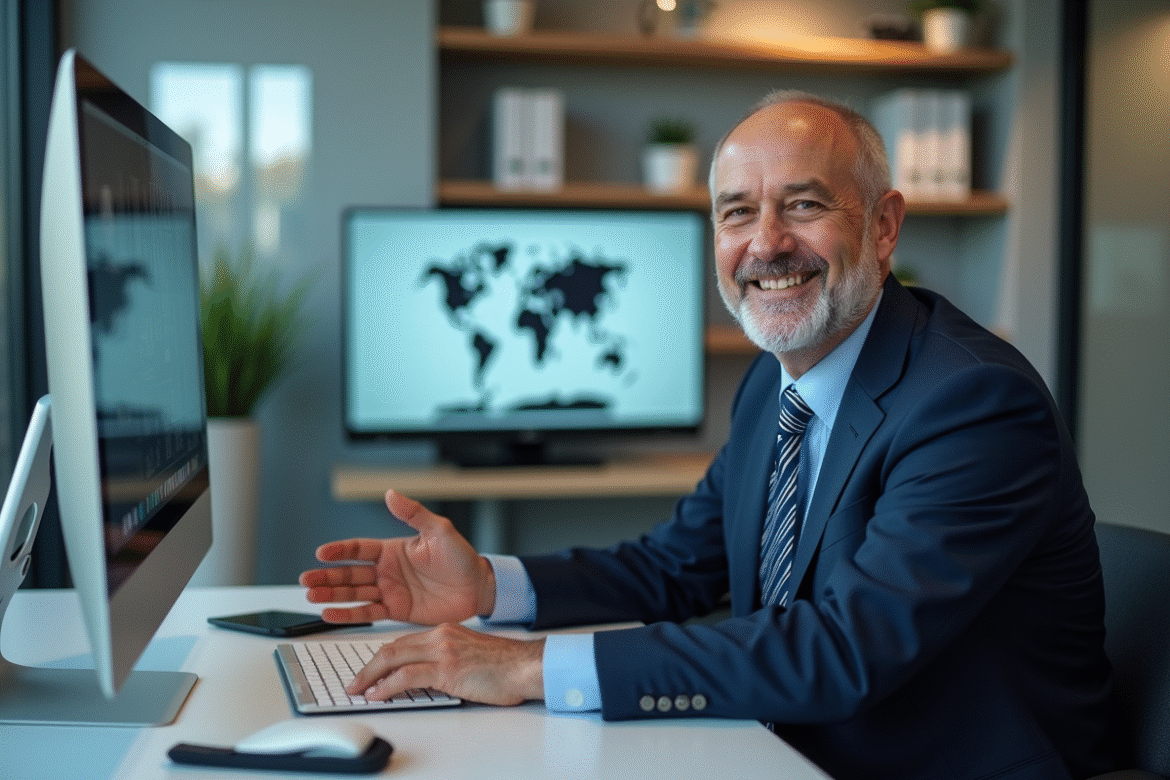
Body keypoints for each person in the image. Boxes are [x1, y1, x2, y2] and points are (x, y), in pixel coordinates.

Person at [301, 91, 1117, 780]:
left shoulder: (972, 401)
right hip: (785, 748)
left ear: (883, 224)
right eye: (738, 213)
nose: (765, 244)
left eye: (803, 204)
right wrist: (487, 587)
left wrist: (527, 667)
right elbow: (672, 568)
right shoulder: (777, 380)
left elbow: (843, 650)